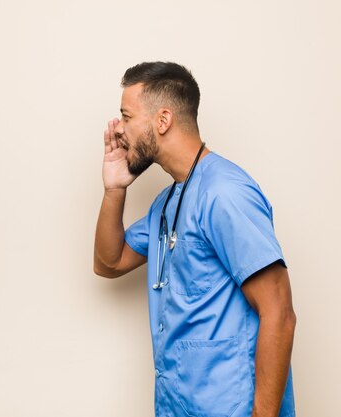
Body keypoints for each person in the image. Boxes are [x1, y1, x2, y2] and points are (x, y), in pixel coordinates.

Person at [93, 62, 296, 417]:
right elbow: (109, 262)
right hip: (179, 406)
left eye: (126, 117)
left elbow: (279, 311)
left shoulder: (224, 193)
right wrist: (114, 189)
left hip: (231, 407)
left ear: (162, 120)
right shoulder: (169, 200)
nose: (119, 130)